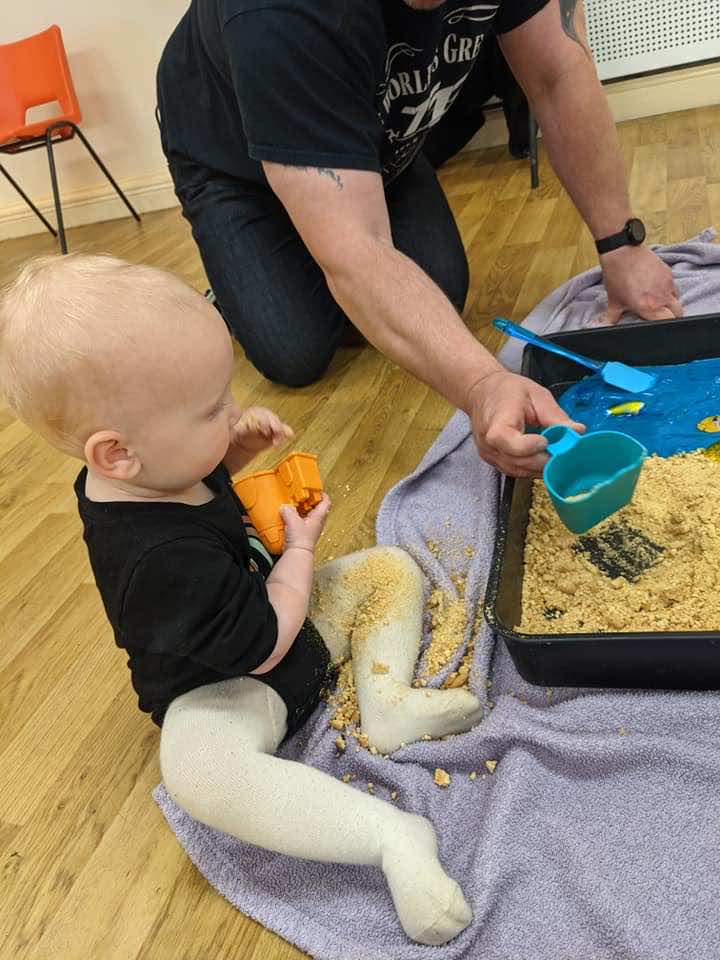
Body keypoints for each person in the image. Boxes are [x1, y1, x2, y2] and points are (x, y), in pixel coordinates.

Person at [0, 253, 486, 945]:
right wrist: (300, 553)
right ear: (117, 454)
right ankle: (389, 837)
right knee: (199, 775)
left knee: (387, 567)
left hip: (271, 617)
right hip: (230, 683)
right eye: (210, 410)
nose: (231, 412)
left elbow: (196, 499)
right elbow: (265, 643)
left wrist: (227, 456)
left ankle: (389, 706)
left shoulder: (148, 472)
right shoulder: (154, 561)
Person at [156, 0, 682, 479]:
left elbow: (556, 74)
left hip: (374, 138)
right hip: (231, 166)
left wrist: (623, 244)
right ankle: (243, 279)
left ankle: (325, 213)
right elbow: (358, 251)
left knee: (440, 293)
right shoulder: (275, 15)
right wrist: (481, 386)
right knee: (295, 352)